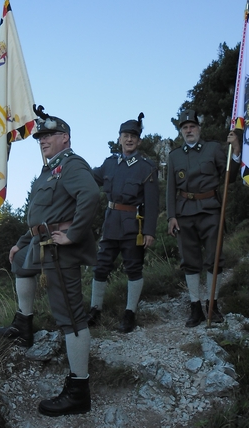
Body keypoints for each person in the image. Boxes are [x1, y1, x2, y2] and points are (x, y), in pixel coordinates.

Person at [0, 113, 100, 417]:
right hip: (39, 239)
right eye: (40, 138)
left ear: (65, 138)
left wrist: (73, 234)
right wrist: (21, 239)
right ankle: (23, 326)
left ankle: (79, 389)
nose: (43, 141)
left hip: (59, 247)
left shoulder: (71, 164)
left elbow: (90, 194)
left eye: (49, 136)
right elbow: (42, 211)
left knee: (70, 314)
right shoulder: (49, 170)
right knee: (21, 266)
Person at [166, 109, 241, 327]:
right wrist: (171, 216)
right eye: (185, 127)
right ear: (181, 132)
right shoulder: (174, 156)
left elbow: (230, 177)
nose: (189, 130)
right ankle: (195, 307)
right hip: (184, 213)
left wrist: (235, 150)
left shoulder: (214, 149)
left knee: (214, 259)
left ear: (199, 128)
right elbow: (170, 189)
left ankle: (213, 306)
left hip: (210, 210)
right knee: (189, 261)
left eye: (192, 126)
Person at [87, 113, 159, 333]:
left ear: (138, 141)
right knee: (100, 268)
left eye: (133, 137)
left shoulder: (147, 167)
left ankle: (130, 313)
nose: (129, 140)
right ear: (119, 138)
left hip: (132, 227)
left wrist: (149, 232)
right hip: (110, 225)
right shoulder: (109, 164)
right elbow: (89, 177)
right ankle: (94, 310)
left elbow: (152, 203)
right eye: (126, 136)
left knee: (134, 269)